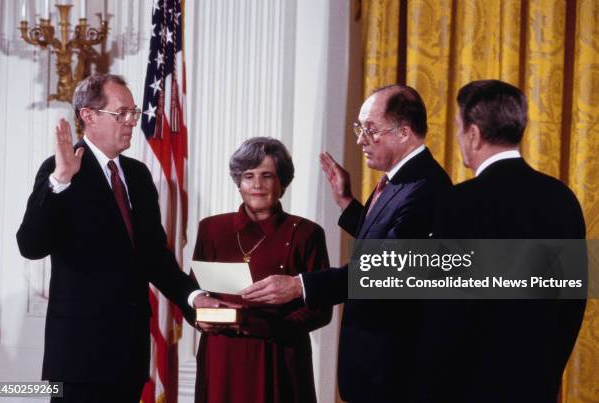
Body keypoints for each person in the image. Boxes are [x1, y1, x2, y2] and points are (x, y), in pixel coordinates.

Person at [242, 85, 452, 402]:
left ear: (404, 132)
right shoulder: (400, 181)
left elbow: (384, 272)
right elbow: (385, 241)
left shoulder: (425, 187)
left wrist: (300, 286)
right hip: (374, 365)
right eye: (359, 128)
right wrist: (347, 203)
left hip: (395, 370)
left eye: (370, 129)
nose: (360, 140)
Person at [16, 74, 199, 403]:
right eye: (121, 113)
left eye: (134, 112)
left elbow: (155, 259)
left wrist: (195, 298)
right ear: (89, 116)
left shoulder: (139, 176)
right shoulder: (60, 170)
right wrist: (60, 181)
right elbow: (30, 245)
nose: (131, 122)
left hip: (128, 356)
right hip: (79, 360)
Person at [422, 79, 586, 403]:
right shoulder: (563, 200)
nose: (458, 137)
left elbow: (444, 318)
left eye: (458, 127)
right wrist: (547, 372)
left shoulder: (459, 203)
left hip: (467, 390)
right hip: (537, 387)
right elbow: (572, 304)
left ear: (473, 133)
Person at [190, 137, 332, 403]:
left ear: (282, 182)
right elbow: (192, 293)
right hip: (221, 358)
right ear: (238, 182)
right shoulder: (211, 229)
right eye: (248, 176)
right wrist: (199, 316)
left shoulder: (307, 233)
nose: (257, 185)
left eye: (267, 176)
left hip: (278, 356)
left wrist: (269, 328)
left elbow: (321, 310)